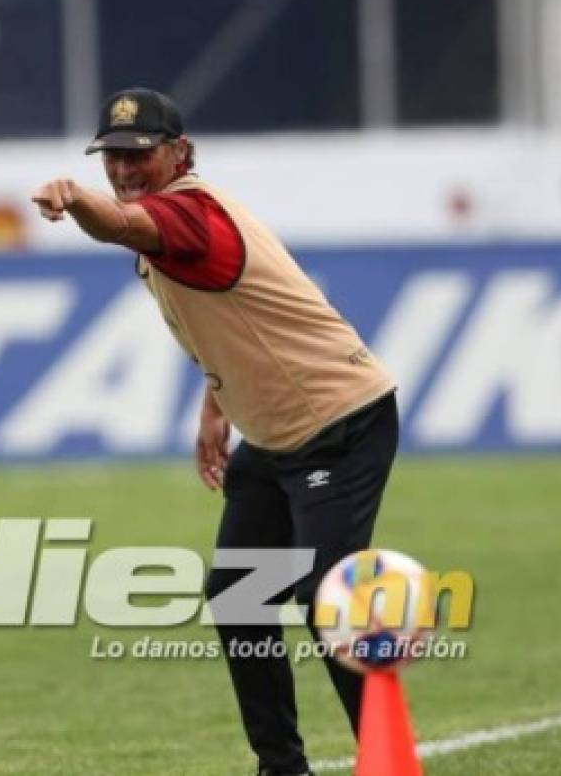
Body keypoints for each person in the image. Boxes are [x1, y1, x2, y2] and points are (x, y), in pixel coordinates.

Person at [31, 88, 398, 776]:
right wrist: (216, 400)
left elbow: (115, 224)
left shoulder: (186, 213)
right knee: (238, 596)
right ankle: (280, 767)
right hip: (276, 431)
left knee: (326, 598)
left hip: (339, 421)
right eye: (111, 156)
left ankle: (387, 759)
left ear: (178, 151)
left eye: (138, 154)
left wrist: (76, 199)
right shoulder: (183, 214)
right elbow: (233, 314)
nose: (123, 168)